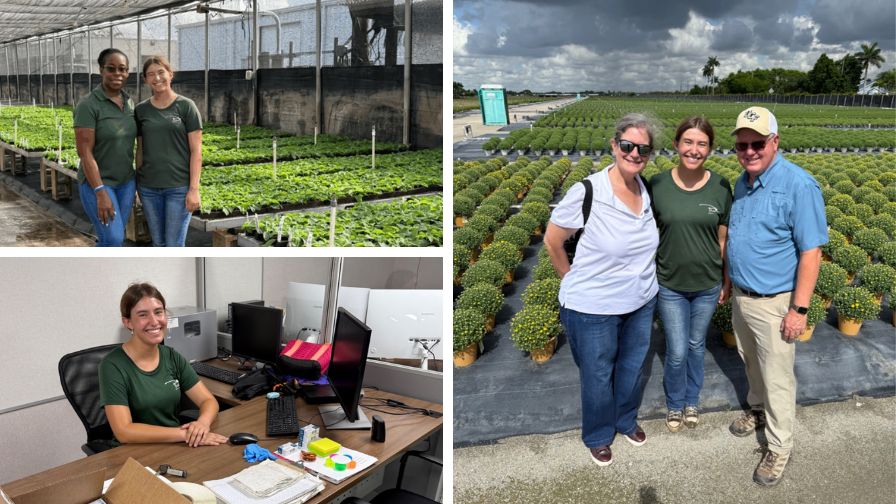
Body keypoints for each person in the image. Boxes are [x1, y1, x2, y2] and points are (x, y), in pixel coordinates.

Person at [543, 113, 660, 467]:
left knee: (631, 366)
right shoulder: (588, 191)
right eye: (627, 145)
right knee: (597, 374)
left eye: (643, 148)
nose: (634, 153)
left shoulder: (646, 189)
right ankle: (597, 434)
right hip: (593, 307)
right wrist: (570, 279)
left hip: (640, 301)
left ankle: (625, 420)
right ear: (614, 145)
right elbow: (552, 241)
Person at [726, 106, 827, 486]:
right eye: (742, 145)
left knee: (778, 375)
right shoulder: (742, 182)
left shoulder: (799, 185)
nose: (749, 151)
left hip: (775, 302)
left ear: (775, 142)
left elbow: (811, 252)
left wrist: (798, 309)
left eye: (757, 143)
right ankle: (756, 408)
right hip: (743, 297)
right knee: (750, 361)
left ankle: (779, 446)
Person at [649, 116, 732, 433]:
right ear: (676, 144)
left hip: (707, 284)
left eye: (702, 144)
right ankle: (674, 404)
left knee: (697, 345)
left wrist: (726, 280)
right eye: (688, 142)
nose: (694, 149)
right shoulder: (657, 185)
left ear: (710, 149)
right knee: (677, 350)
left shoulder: (721, 187)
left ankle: (692, 400)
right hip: (670, 284)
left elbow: (723, 239)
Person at [99, 283, 228, 447]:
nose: (154, 321)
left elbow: (208, 400)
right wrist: (186, 434)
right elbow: (124, 431)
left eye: (158, 312)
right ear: (128, 322)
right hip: (134, 451)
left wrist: (202, 424)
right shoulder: (112, 366)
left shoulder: (171, 356)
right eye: (143, 315)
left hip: (175, 445)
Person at [135, 55, 203, 246]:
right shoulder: (141, 110)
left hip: (178, 188)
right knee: (158, 243)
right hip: (148, 188)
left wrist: (194, 189)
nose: (157, 78)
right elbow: (139, 149)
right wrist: (137, 184)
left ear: (170, 74)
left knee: (174, 244)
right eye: (150, 74)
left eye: (160, 72)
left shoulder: (186, 106)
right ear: (145, 79)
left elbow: (196, 151)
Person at [74, 48, 137, 246]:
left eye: (122, 69)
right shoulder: (89, 105)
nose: (117, 74)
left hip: (126, 182)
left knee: (112, 239)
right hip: (99, 184)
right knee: (114, 238)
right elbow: (85, 152)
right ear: (101, 70)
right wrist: (100, 191)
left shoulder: (129, 102)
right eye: (111, 69)